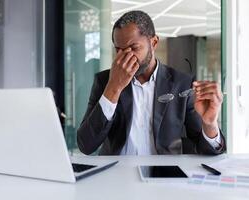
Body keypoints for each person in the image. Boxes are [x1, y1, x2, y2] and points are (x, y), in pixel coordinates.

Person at [77, 10, 226, 155]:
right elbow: (86, 145)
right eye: (119, 50)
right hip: (116, 174)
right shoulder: (104, 81)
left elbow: (204, 149)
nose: (125, 57)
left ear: (153, 43)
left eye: (133, 48)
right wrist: (113, 89)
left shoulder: (182, 84)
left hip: (164, 176)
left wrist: (210, 124)